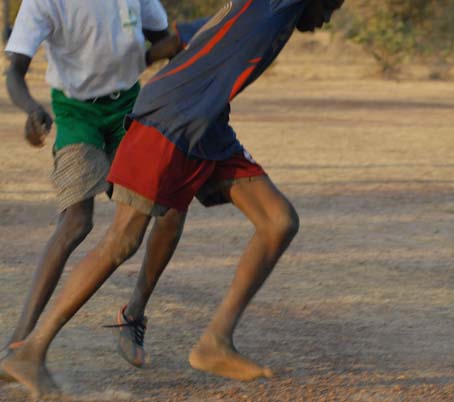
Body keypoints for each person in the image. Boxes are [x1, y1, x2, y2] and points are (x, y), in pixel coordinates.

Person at [0, 0, 344, 398]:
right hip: (170, 118)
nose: (331, 15)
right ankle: (31, 349)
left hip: (207, 124)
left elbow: (181, 35)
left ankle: (213, 342)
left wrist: (146, 57)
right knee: (121, 240)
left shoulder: (267, 14)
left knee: (278, 220)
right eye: (333, 4)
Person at [1, 0, 184, 381]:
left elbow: (164, 44)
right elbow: (15, 72)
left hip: (130, 108)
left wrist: (161, 57)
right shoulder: (46, 2)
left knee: (168, 207)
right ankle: (18, 343)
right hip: (75, 112)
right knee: (75, 222)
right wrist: (31, 109)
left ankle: (132, 315)